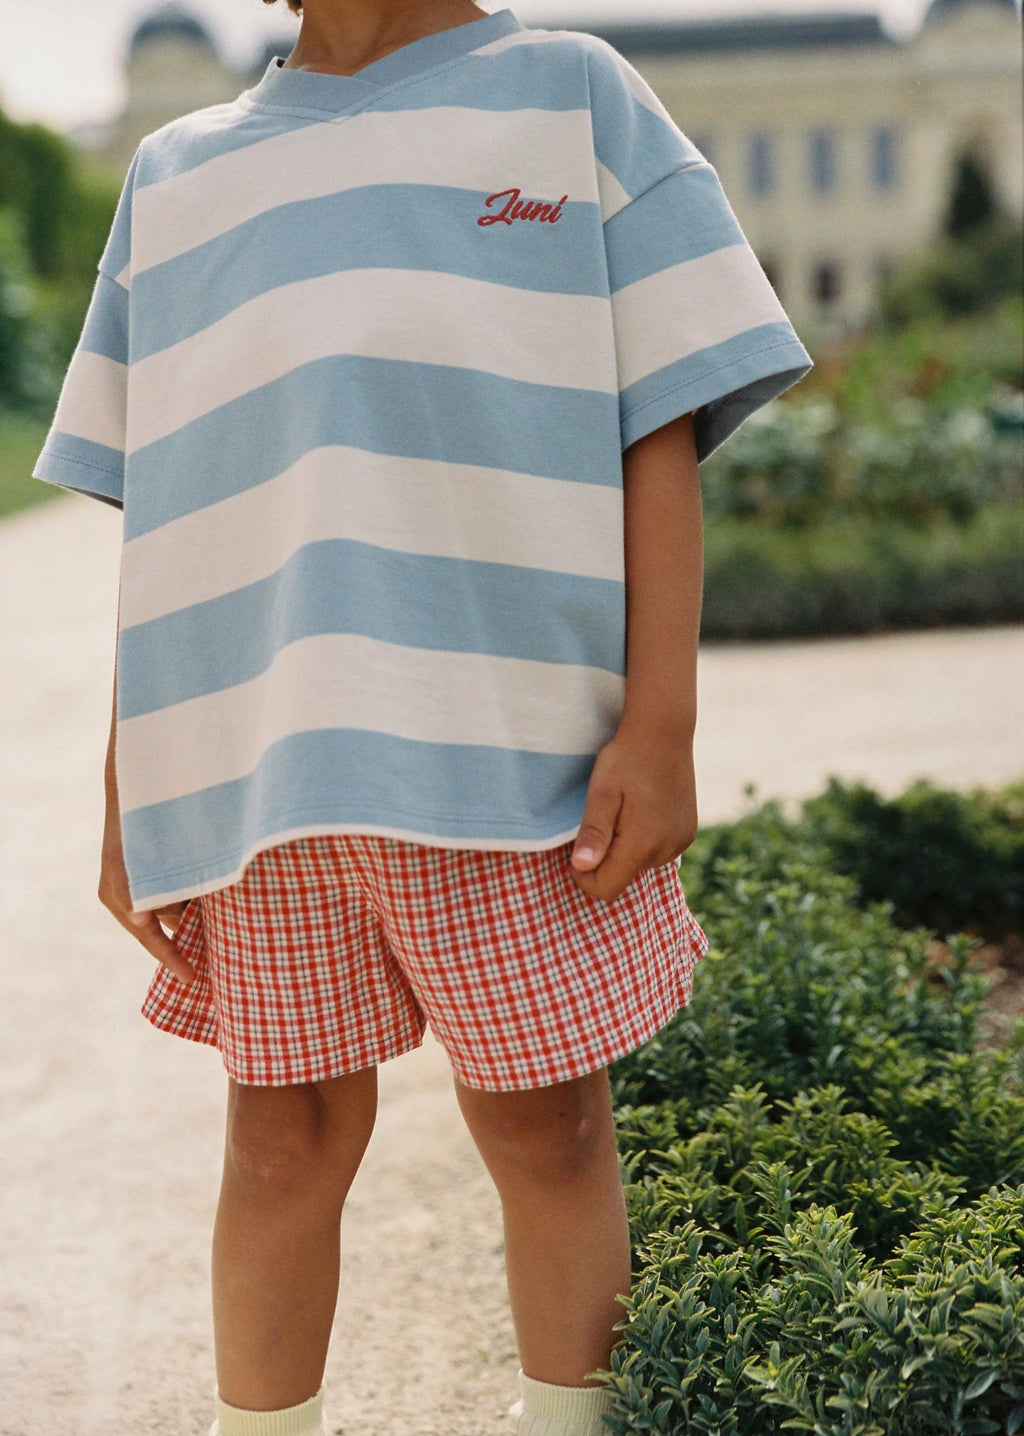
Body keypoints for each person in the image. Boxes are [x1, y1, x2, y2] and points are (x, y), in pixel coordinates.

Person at [33, 1, 811, 1432]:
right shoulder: (178, 173)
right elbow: (167, 507)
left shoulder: (571, 95)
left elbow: (660, 419)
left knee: (547, 1122)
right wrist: (129, 784)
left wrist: (663, 723)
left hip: (515, 751)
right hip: (260, 774)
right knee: (278, 1141)